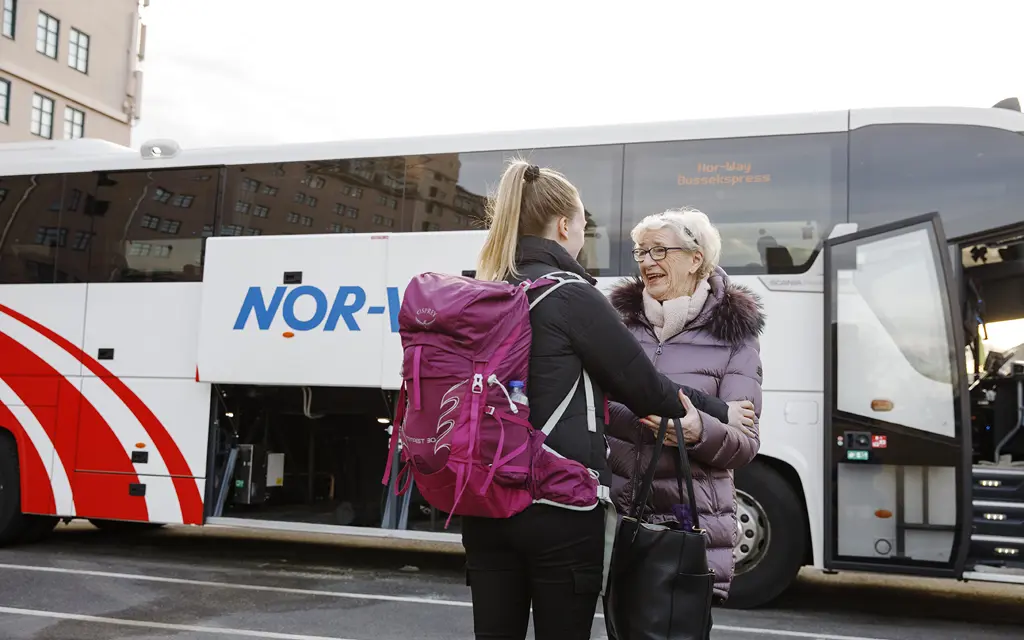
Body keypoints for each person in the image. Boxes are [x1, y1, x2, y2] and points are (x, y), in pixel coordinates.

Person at [464, 160, 751, 640]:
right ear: (562, 226)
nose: (585, 235)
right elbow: (642, 387)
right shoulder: (573, 296)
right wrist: (720, 411)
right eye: (583, 224)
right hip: (556, 505)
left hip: (486, 499)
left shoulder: (486, 290)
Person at [606, 206, 765, 636]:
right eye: (640, 251)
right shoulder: (618, 326)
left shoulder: (734, 337)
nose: (646, 261)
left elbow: (744, 442)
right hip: (620, 523)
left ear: (696, 259)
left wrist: (699, 432)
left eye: (660, 250)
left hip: (687, 528)